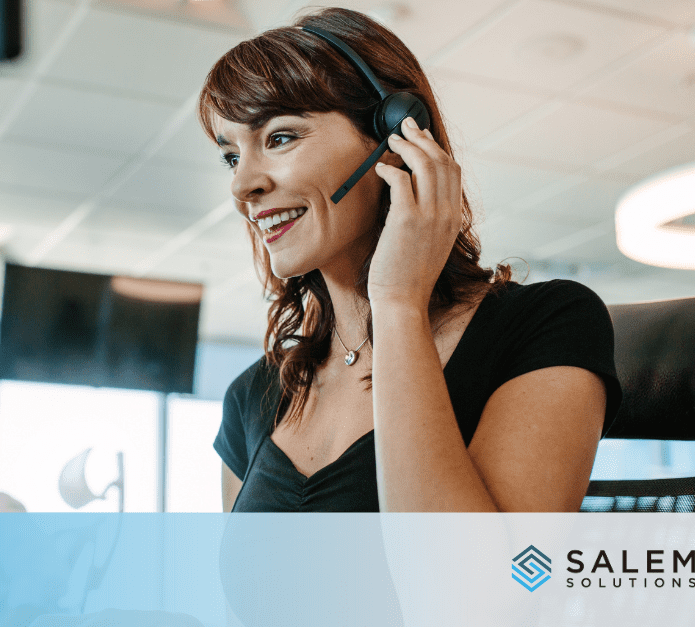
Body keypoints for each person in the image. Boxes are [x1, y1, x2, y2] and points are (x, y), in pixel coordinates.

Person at [203, 8, 621, 513]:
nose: (241, 185)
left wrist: (398, 303)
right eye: (231, 156)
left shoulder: (544, 325)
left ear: (396, 138)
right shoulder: (253, 395)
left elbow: (479, 586)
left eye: (280, 138)